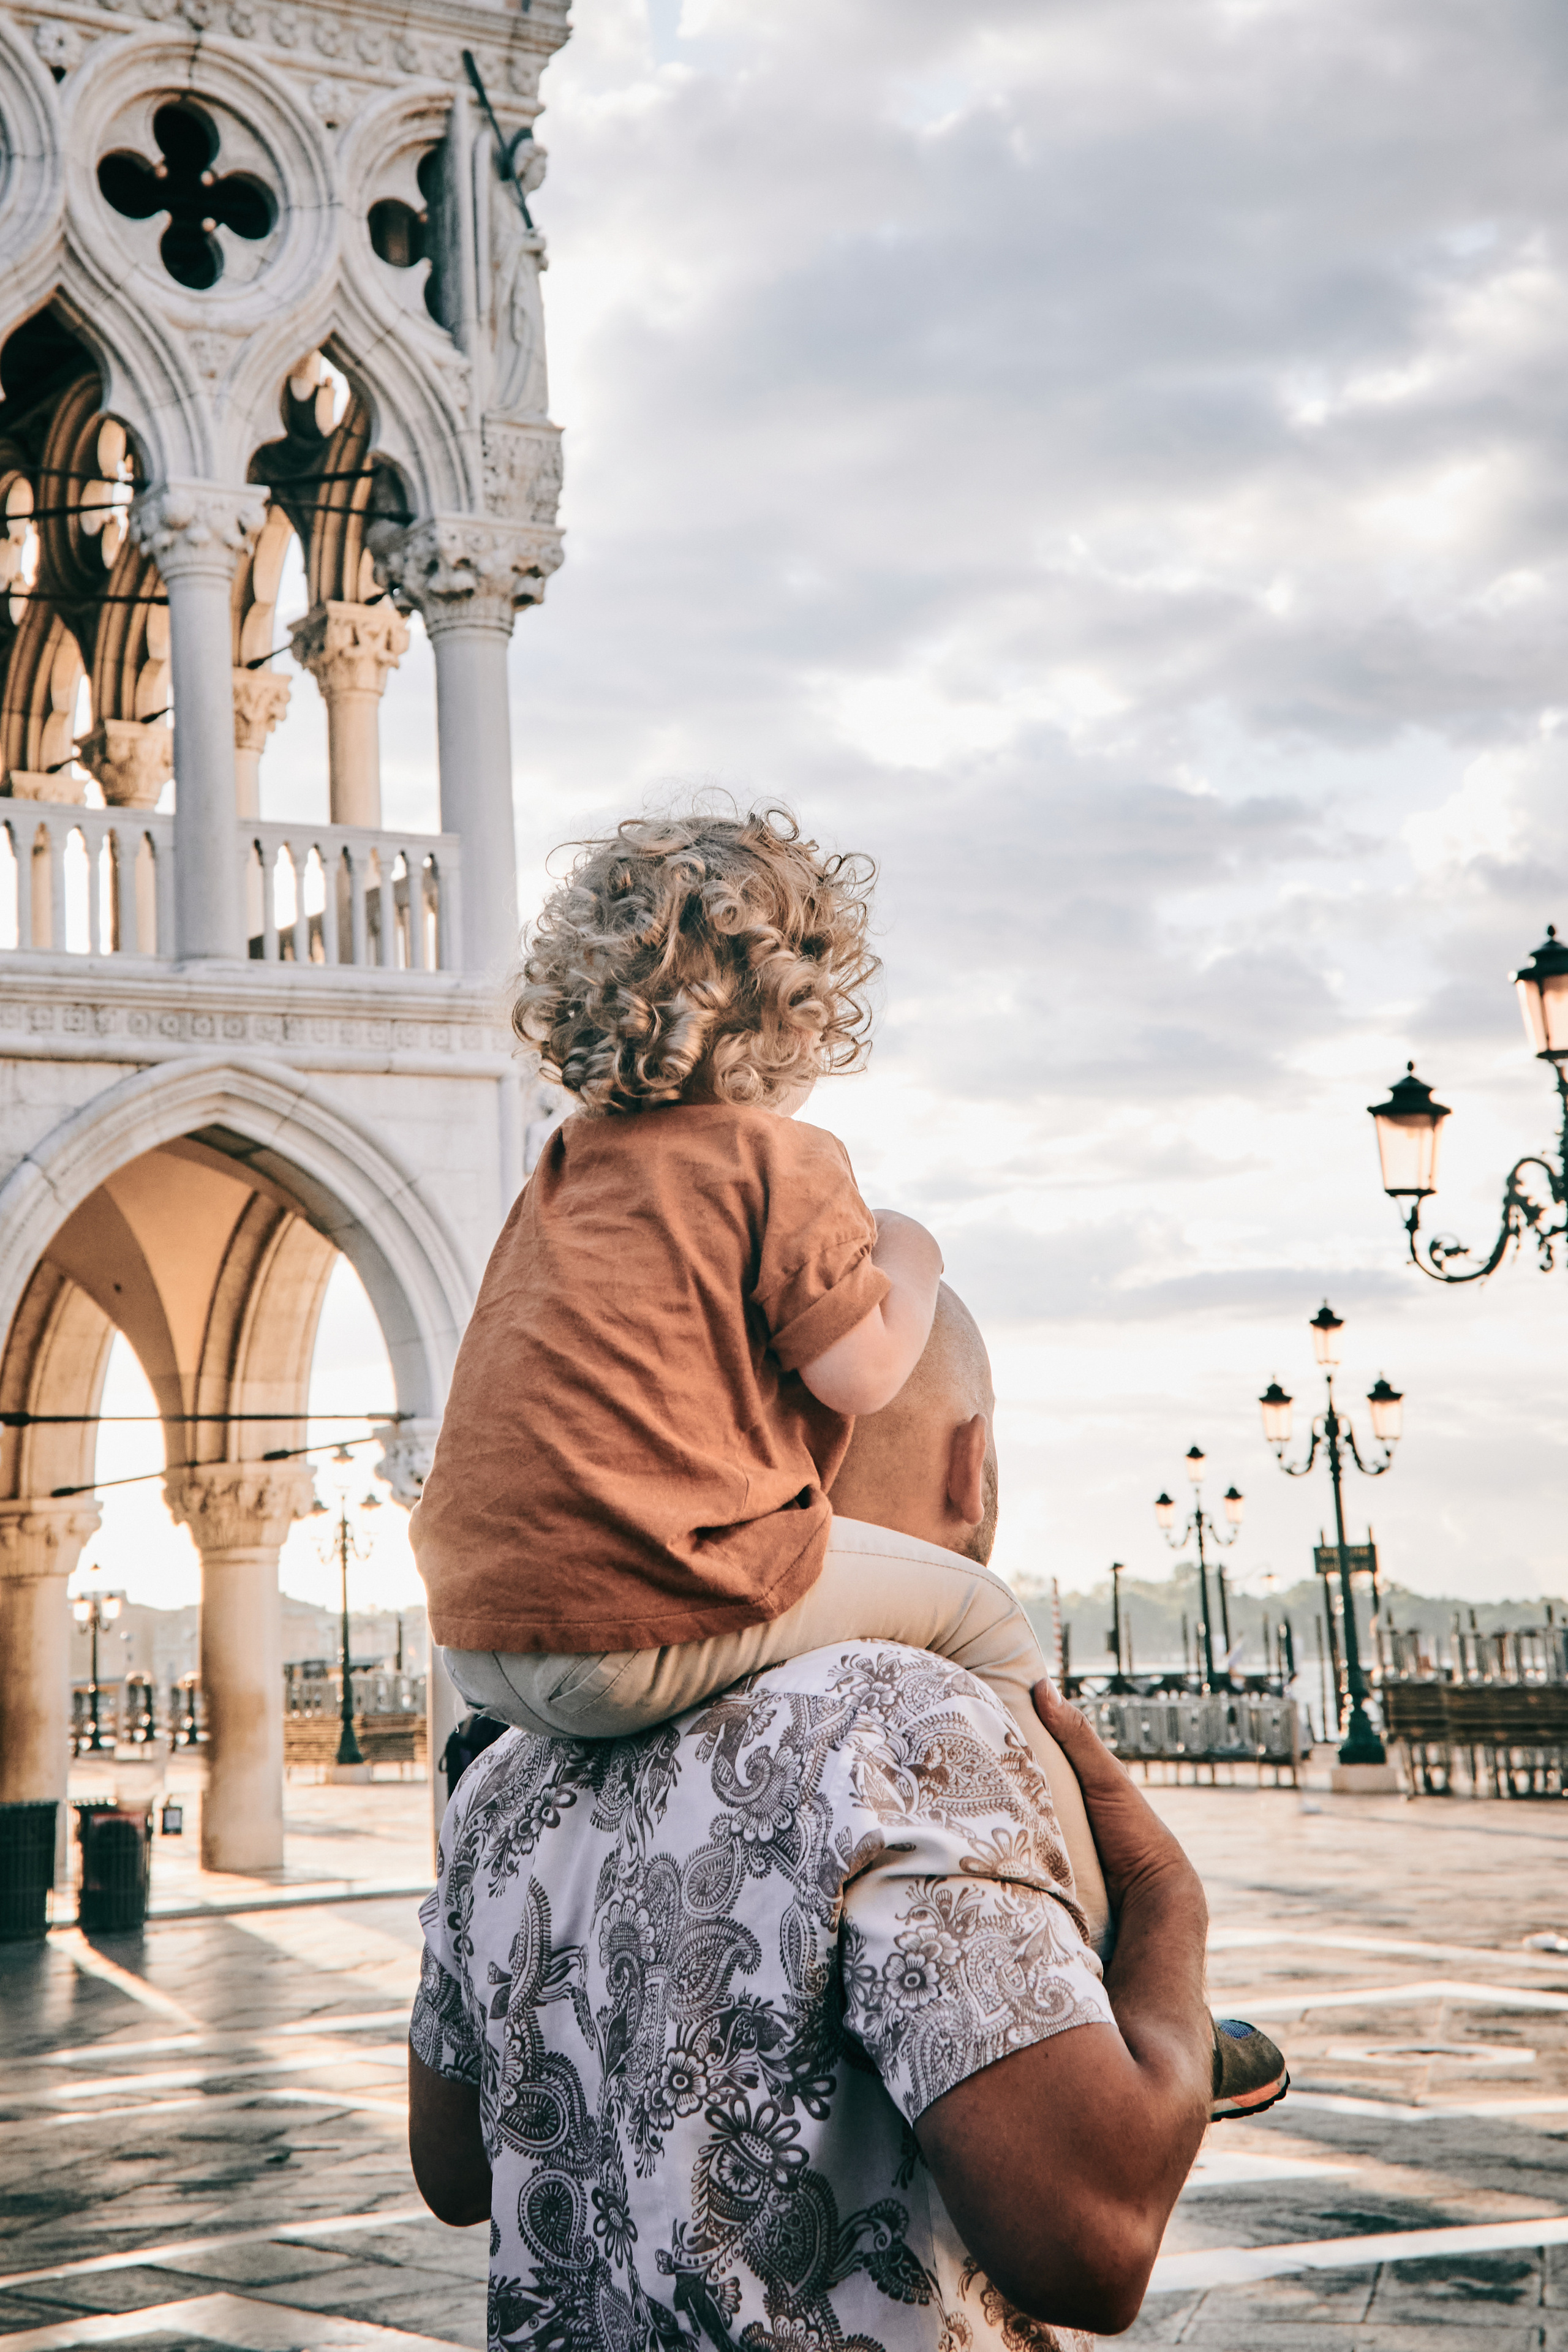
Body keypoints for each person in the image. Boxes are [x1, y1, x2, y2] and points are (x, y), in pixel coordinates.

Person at [409, 1291, 1216, 2349]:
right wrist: (1168, 1903)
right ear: (969, 1463)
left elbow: (456, 2170)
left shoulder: (514, 1768)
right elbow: (1091, 2241)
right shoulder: (904, 1714)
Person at [411, 805, 1114, 1945]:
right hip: (628, 1623)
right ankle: (1105, 1940)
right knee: (983, 1619)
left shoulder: (565, 1168)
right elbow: (863, 1375)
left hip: (480, 1641)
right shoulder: (780, 1159)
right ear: (796, 1006)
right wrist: (910, 1254)